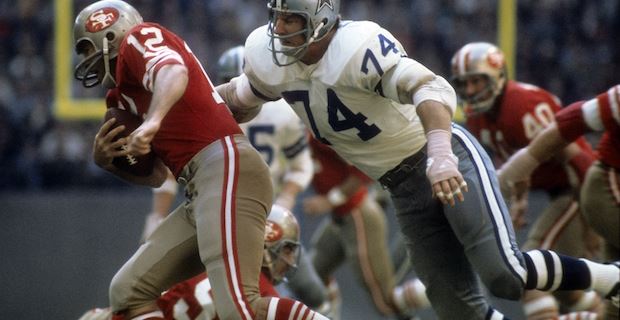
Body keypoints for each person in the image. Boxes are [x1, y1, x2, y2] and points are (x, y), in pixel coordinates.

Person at [213, 1, 620, 319]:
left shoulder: (357, 46)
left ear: (320, 20)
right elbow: (243, 96)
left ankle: (612, 278)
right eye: (276, 17)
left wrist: (440, 153)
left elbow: (430, 88)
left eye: (290, 19)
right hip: (403, 189)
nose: (278, 30)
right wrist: (199, 100)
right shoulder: (271, 59)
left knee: (505, 275)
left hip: (443, 158)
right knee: (457, 311)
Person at [72, 1, 328, 319]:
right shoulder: (121, 97)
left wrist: (152, 122)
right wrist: (108, 162)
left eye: (85, 47)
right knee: (128, 292)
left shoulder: (139, 38)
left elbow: (173, 70)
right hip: (201, 185)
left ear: (109, 33)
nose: (84, 59)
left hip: (226, 164)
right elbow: (154, 174)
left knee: (240, 307)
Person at [138, 45, 330, 313]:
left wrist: (156, 217)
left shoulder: (205, 116)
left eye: (232, 83)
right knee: (230, 290)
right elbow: (301, 168)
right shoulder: (279, 113)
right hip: (228, 212)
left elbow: (301, 167)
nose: (228, 92)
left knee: (292, 289)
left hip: (253, 215)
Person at [450, 42, 604, 318]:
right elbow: (520, 161)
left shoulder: (520, 105)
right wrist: (520, 199)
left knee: (530, 268)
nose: (470, 90)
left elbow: (575, 155)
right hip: (562, 191)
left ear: (498, 76)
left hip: (578, 185)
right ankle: (602, 311)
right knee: (565, 288)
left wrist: (591, 215)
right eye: (464, 83)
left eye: (477, 81)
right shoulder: (479, 118)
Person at [498, 84, 620, 319]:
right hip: (607, 183)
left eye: (476, 81)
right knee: (528, 274)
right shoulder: (494, 114)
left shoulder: (515, 106)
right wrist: (525, 162)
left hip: (589, 187)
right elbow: (573, 120)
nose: (470, 90)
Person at [78, 205, 308, 320]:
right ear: (264, 244)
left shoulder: (207, 256)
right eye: (287, 249)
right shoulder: (262, 297)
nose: (289, 259)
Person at [303, 134, 430, 319]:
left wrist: (329, 200)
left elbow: (362, 170)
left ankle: (445, 291)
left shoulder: (319, 133)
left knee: (386, 302)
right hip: (340, 218)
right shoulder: (300, 133)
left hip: (357, 215)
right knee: (313, 278)